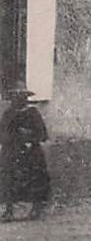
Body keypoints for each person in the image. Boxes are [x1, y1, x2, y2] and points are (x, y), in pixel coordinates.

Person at [1, 82, 49, 221]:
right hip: (11, 151)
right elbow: (2, 131)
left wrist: (28, 136)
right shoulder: (8, 113)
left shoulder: (33, 113)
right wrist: (10, 139)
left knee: (34, 178)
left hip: (30, 152)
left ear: (26, 98)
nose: (17, 99)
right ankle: (9, 210)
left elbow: (42, 134)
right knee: (8, 179)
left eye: (21, 96)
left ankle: (36, 209)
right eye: (14, 96)